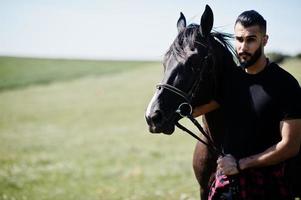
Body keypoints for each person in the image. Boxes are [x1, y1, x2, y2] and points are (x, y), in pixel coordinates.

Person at [195, 10, 301, 199]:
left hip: (270, 186)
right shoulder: (228, 80)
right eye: (239, 39)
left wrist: (241, 164)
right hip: (228, 186)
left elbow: (290, 145)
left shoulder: (286, 84)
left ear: (265, 40)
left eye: (251, 39)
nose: (243, 47)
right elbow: (197, 109)